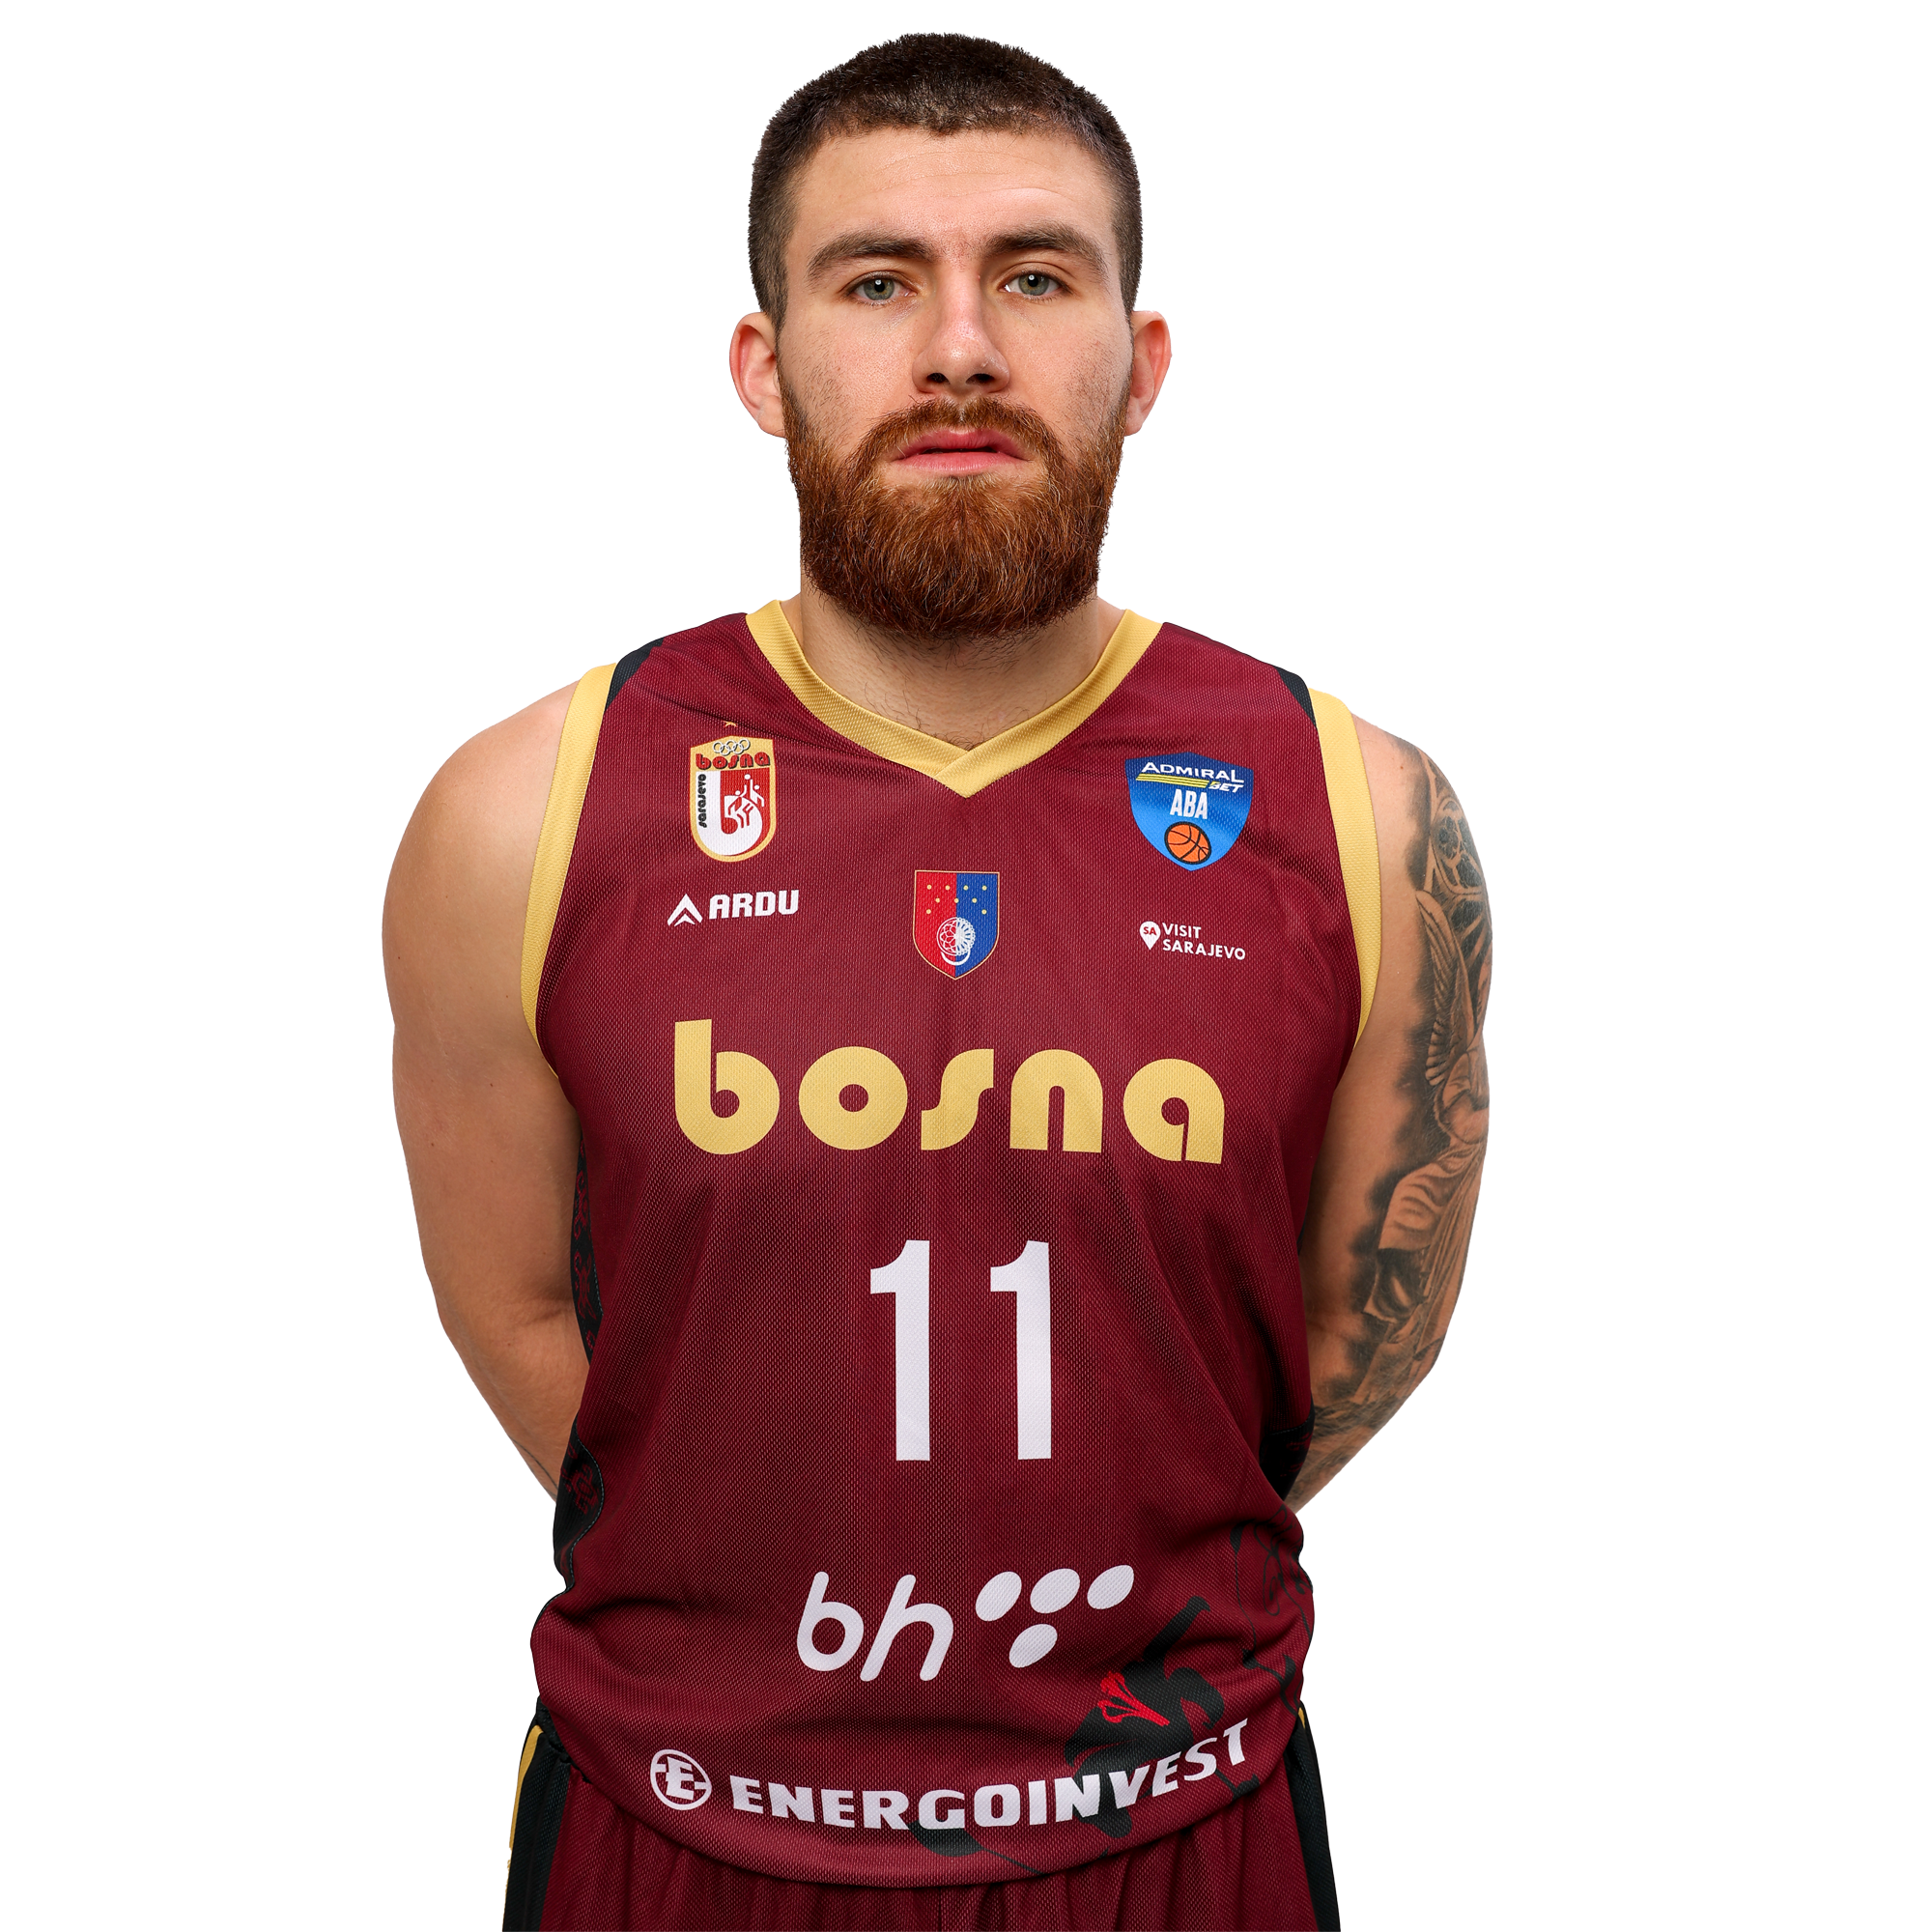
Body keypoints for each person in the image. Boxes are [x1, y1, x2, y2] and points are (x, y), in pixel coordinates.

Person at [384, 32, 1490, 1932]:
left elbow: (1353, 1320)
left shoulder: (1362, 815)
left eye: (1036, 277)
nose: (960, 346)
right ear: (765, 364)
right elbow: (527, 1316)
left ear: (1140, 363)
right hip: (684, 1825)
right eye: (878, 280)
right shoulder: (524, 812)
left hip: (1175, 1827)